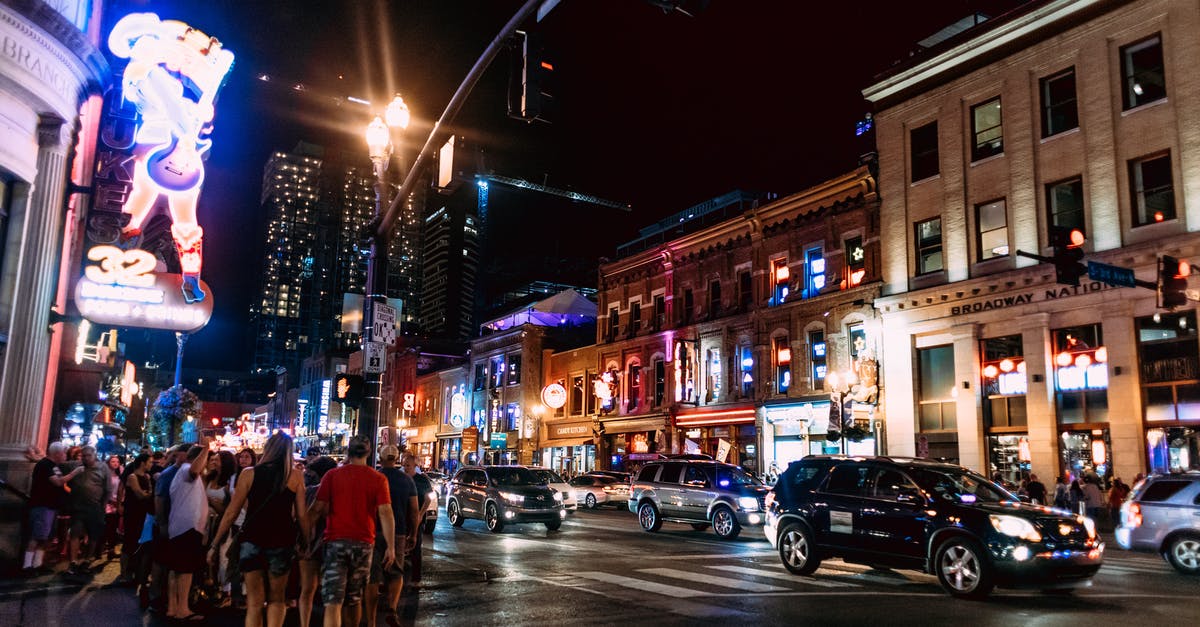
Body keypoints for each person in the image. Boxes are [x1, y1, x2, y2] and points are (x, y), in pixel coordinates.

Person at [211, 433, 309, 627]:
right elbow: (302, 514)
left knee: (254, 602)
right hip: (282, 539)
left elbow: (232, 512)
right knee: (277, 599)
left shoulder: (249, 473)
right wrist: (306, 540)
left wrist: (215, 544)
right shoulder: (295, 476)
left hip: (252, 538)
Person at [308, 435, 394, 627]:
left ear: (348, 451)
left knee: (333, 601)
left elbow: (316, 509)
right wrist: (391, 546)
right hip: (364, 543)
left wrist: (304, 535)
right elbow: (386, 513)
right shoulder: (378, 479)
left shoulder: (332, 476)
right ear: (370, 452)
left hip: (335, 541)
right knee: (354, 598)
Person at [364, 446, 418, 627]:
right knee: (396, 572)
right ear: (397, 459)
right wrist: (414, 533)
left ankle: (371, 620)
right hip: (398, 532)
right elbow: (414, 510)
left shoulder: (373, 477)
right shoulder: (407, 481)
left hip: (373, 531)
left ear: (379, 457)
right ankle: (392, 609)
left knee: (372, 577)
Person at [166, 444, 211, 622]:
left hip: (179, 526)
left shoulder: (182, 473)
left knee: (176, 569)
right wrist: (206, 448)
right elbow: (194, 470)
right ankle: (182, 609)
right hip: (188, 527)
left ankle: (172, 607)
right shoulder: (186, 470)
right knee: (185, 570)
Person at [23, 442, 82, 575]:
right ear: (56, 454)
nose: (65, 456)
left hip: (51, 506)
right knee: (36, 536)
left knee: (45, 538)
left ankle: (38, 564)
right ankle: (27, 566)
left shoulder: (52, 465)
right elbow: (58, 481)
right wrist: (75, 473)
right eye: (63, 453)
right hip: (42, 506)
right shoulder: (45, 465)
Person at [147, 444, 189, 611]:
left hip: (178, 524)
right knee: (160, 560)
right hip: (167, 524)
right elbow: (159, 499)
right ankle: (155, 595)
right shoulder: (169, 474)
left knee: (170, 562)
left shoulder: (184, 473)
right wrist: (162, 522)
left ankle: (167, 597)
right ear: (180, 455)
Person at [297, 456, 338, 627]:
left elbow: (302, 516)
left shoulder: (308, 491)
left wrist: (303, 541)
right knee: (332, 593)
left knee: (307, 589)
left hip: (310, 542)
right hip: (331, 543)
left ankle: (304, 623)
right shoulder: (336, 492)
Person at [65, 446, 113, 575]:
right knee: (75, 533)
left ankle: (87, 559)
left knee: (93, 535)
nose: (85, 458)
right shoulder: (75, 466)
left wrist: (102, 506)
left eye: (88, 456)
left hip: (95, 507)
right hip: (78, 507)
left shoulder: (103, 468)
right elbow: (57, 465)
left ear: (94, 455)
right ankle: (73, 561)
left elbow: (108, 489)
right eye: (83, 456)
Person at [401, 451, 434, 587]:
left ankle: (416, 578)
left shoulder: (422, 479)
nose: (406, 467)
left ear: (415, 465)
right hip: (403, 517)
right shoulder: (401, 478)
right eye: (404, 465)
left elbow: (427, 499)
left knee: (416, 547)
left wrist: (420, 514)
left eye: (408, 465)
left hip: (417, 518)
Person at [120, 454, 153, 586]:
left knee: (140, 543)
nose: (151, 465)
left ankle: (136, 571)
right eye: (149, 462)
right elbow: (140, 494)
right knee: (129, 542)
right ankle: (123, 573)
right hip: (132, 513)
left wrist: (147, 493)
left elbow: (148, 492)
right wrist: (147, 493)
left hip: (143, 514)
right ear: (142, 463)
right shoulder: (132, 477)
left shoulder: (147, 477)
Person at [104, 455, 124, 560]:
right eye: (113, 461)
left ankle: (111, 549)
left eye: (117, 461)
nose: (115, 463)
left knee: (114, 527)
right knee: (109, 527)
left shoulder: (120, 475)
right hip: (108, 504)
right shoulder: (105, 475)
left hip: (117, 503)